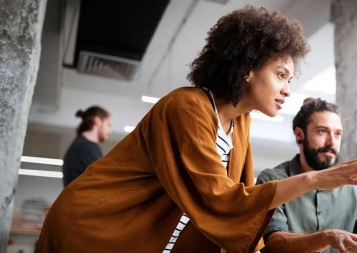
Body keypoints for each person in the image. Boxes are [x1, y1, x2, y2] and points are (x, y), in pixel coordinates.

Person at [35, 6, 357, 253]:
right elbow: (220, 199)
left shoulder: (239, 123)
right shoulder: (187, 107)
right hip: (94, 227)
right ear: (246, 69)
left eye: (289, 78)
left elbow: (243, 203)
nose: (287, 88)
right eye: (280, 74)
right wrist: (314, 179)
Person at [256, 98, 357, 253]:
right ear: (299, 135)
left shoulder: (353, 188)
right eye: (322, 131)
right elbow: (272, 245)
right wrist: (327, 237)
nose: (331, 142)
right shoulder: (272, 180)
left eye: (337, 134)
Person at [62, 106, 111, 187]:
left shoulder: (83, 145)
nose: (109, 131)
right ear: (97, 120)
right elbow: (102, 181)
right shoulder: (85, 147)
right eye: (108, 125)